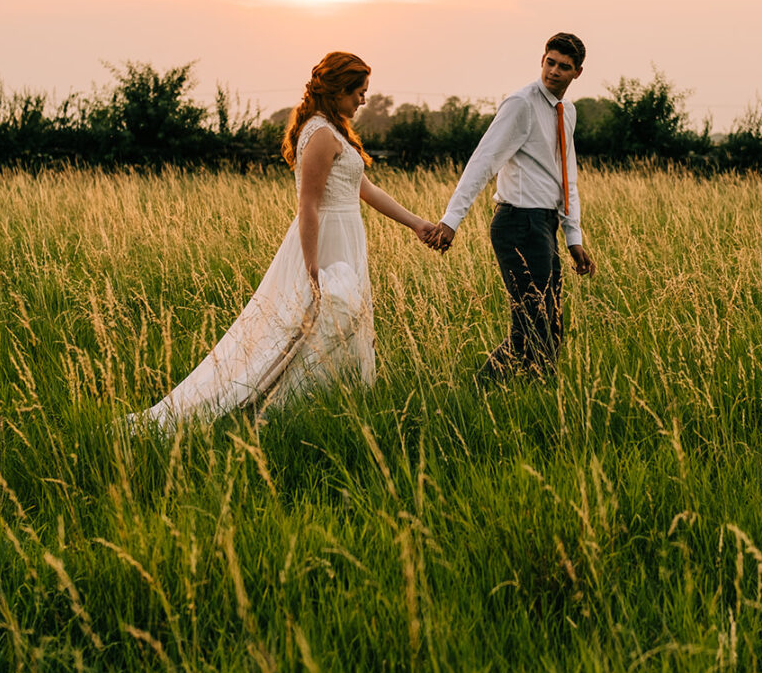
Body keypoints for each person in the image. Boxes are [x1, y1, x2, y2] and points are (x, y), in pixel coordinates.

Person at [123, 51, 434, 429]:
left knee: (338, 325)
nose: (363, 100)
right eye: (359, 92)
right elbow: (308, 206)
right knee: (309, 328)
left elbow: (365, 190)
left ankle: (334, 401)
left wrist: (416, 224)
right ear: (337, 90)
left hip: (346, 235)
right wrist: (310, 268)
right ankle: (283, 408)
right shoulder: (319, 134)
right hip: (325, 240)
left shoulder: (333, 130)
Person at [423, 33, 597, 376]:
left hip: (543, 225)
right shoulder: (521, 104)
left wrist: (572, 237)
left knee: (551, 326)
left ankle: (533, 395)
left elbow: (567, 176)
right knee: (533, 325)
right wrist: (451, 219)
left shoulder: (568, 112)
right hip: (517, 223)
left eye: (564, 67)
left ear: (578, 72)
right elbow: (483, 161)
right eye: (550, 62)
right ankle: (482, 389)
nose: (554, 72)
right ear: (541, 60)